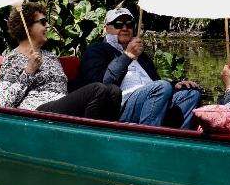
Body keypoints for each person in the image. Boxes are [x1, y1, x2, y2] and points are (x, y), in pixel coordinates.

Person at [74, 7, 203, 129]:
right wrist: (127, 56)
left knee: (191, 94)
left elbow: (154, 82)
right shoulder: (96, 50)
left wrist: (175, 85)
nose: (125, 28)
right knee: (160, 87)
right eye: (118, 24)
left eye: (129, 23)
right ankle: (147, 141)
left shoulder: (141, 56)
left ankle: (177, 144)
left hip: (152, 102)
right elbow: (100, 84)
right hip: (119, 108)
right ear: (106, 29)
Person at [0, 2, 122, 118]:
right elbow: (6, 102)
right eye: (43, 22)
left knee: (113, 91)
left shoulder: (51, 57)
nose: (47, 25)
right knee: (97, 90)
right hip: (36, 113)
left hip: (62, 108)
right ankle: (89, 139)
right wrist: (29, 71)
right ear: (27, 27)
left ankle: (106, 137)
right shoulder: (12, 59)